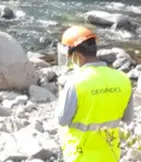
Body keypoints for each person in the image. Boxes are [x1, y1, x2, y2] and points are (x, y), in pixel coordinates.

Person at [56, 26, 134, 162]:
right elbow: (128, 118)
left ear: (78, 56)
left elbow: (62, 119)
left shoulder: (76, 83)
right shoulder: (123, 79)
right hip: (110, 154)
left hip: (80, 155)